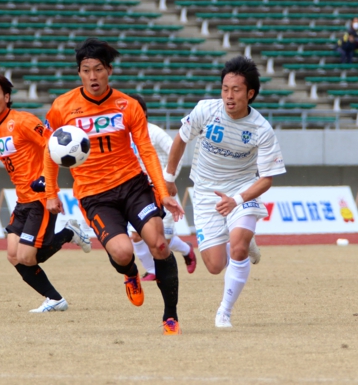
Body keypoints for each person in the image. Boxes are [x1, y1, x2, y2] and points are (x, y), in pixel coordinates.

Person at [43, 38, 185, 335]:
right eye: (86, 70)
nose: (92, 76)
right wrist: (51, 193)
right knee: (122, 253)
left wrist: (163, 193)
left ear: (109, 70)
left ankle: (170, 316)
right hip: (95, 196)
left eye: (98, 69)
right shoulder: (62, 107)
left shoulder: (127, 105)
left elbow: (146, 151)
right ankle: (130, 273)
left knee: (159, 244)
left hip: (134, 186)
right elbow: (50, 149)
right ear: (79, 73)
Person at [164, 56, 286, 328]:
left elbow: (267, 178)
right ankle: (244, 240)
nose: (229, 96)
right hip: (206, 192)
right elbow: (181, 139)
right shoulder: (205, 110)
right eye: (225, 89)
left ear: (250, 93)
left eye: (236, 90)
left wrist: (237, 200)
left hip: (241, 190)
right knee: (215, 265)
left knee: (238, 248)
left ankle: (224, 312)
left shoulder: (261, 129)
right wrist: (169, 178)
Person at [0, 71, 92, 313]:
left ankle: (68, 233)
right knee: (13, 255)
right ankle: (55, 299)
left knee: (27, 257)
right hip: (21, 201)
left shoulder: (24, 121)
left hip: (41, 198)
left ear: (7, 97)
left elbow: (52, 146)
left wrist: (46, 183)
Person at [126, 94, 197, 281]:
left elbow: (177, 154)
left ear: (143, 112)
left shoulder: (155, 132)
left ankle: (187, 250)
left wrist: (167, 179)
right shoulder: (124, 135)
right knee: (136, 235)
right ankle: (152, 270)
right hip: (137, 194)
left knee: (163, 240)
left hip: (161, 191)